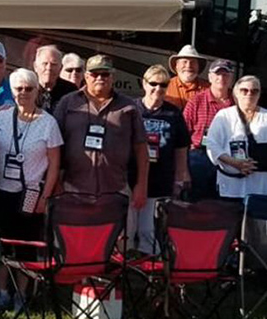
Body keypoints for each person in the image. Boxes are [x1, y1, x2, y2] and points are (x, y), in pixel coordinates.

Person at [0, 68, 62, 312]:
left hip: (31, 194)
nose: (23, 93)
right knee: (1, 243)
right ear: (11, 91)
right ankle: (1, 291)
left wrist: (45, 196)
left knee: (26, 246)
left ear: (37, 90)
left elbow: (54, 165)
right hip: (1, 191)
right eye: (18, 88)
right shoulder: (0, 117)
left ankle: (21, 294)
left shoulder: (48, 123)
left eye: (29, 88)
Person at [53, 54, 147, 210]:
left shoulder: (128, 107)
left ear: (112, 77)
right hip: (73, 189)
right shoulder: (67, 103)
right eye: (95, 74)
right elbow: (54, 146)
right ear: (86, 76)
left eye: (105, 74)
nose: (100, 78)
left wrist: (141, 185)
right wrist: (55, 182)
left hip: (116, 191)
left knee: (119, 227)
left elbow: (141, 148)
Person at [128, 64, 190, 254]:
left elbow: (181, 149)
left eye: (163, 85)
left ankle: (149, 267)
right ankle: (125, 266)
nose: (158, 89)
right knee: (127, 230)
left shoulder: (174, 113)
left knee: (149, 231)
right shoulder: (131, 109)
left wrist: (180, 179)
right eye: (153, 83)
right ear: (144, 84)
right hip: (130, 178)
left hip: (160, 180)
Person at [205, 74, 267, 199]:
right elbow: (212, 145)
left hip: (260, 186)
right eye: (244, 90)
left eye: (255, 91)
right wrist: (234, 163)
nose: (249, 94)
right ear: (236, 93)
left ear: (259, 94)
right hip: (230, 185)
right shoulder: (224, 116)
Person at [183, 59, 235, 200]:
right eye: (217, 74)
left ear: (231, 78)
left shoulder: (237, 102)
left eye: (226, 75)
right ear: (210, 77)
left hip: (229, 154)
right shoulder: (196, 101)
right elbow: (182, 136)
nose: (221, 78)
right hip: (200, 153)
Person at [33, 44, 78, 113]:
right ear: (35, 66)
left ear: (61, 68)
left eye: (54, 64)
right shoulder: (27, 89)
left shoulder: (70, 91)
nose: (49, 68)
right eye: (45, 64)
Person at [165, 44, 210, 111]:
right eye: (184, 62)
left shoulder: (208, 89)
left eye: (193, 62)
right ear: (176, 66)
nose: (188, 66)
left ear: (198, 67)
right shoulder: (164, 86)